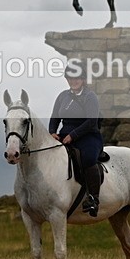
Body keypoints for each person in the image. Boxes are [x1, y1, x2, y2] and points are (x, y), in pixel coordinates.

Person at [49, 62, 104, 217]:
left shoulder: (90, 96)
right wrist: (52, 132)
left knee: (88, 158)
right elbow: (55, 117)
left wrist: (73, 135)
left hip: (88, 136)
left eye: (77, 78)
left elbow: (92, 121)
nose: (73, 81)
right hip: (64, 135)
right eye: (70, 78)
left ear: (83, 79)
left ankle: (93, 199)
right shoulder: (62, 96)